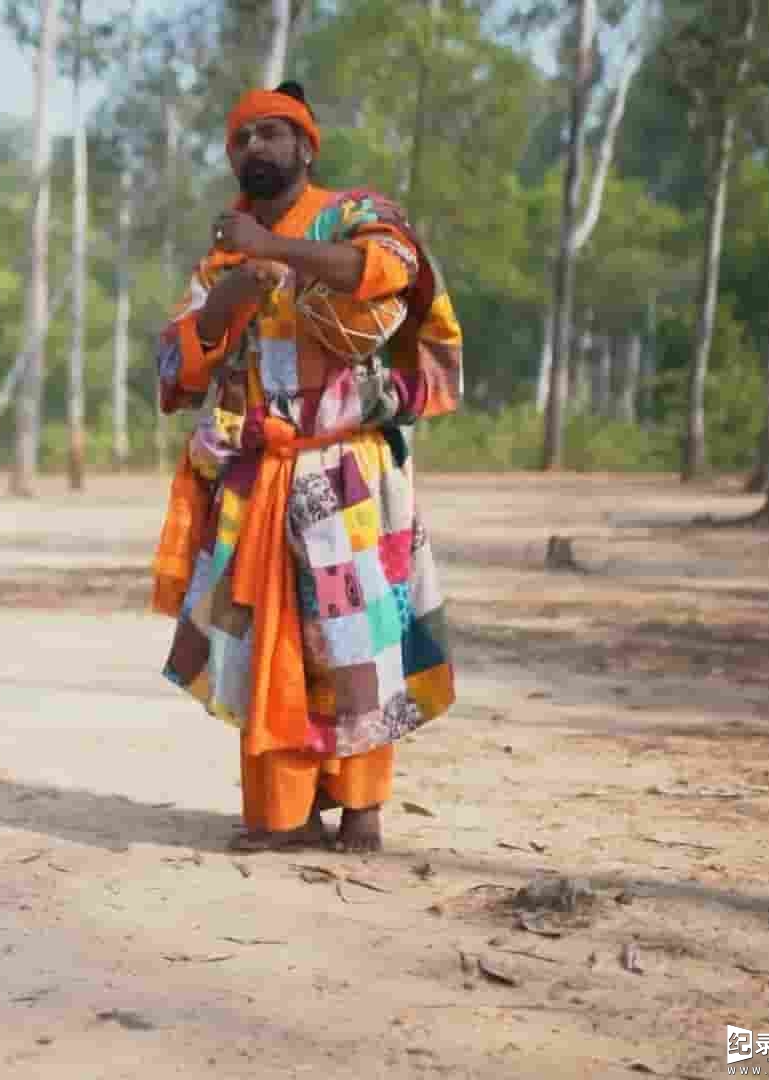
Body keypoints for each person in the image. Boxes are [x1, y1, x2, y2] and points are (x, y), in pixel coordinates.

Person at [149, 82, 465, 854]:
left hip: (346, 470)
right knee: (269, 649)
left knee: (356, 643)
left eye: (271, 133)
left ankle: (362, 811)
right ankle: (284, 814)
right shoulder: (224, 247)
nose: (253, 147)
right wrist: (227, 294)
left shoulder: (357, 210)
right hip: (259, 475)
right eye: (240, 138)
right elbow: (178, 362)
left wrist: (275, 251)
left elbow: (390, 270)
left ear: (306, 147)